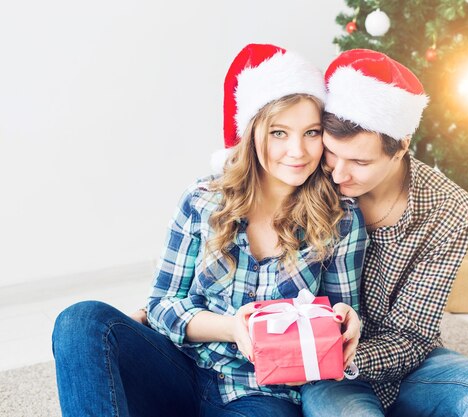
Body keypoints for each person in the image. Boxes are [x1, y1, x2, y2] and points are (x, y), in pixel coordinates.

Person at [52, 43, 367, 417]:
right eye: (279, 133)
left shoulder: (340, 217)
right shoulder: (203, 200)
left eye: (311, 132)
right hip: (180, 370)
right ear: (252, 134)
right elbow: (162, 305)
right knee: (80, 321)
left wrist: (344, 323)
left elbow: (335, 329)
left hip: (263, 395)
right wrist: (232, 327)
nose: (297, 150)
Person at [298, 49, 468, 417]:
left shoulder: (449, 208)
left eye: (359, 162)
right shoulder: (309, 181)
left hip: (410, 365)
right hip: (329, 375)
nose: (339, 174)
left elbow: (413, 337)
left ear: (402, 145)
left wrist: (353, 353)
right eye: (331, 153)